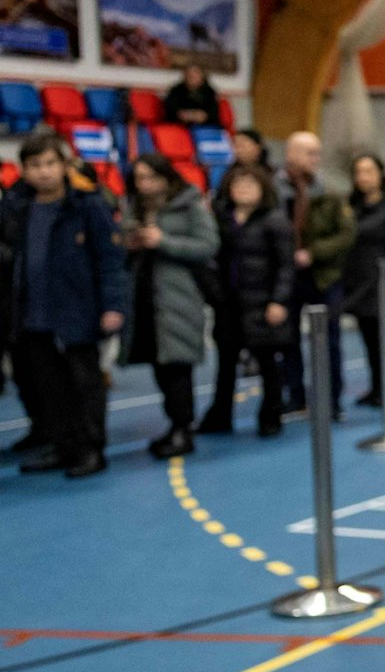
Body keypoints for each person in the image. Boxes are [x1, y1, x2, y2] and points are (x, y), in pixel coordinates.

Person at [8, 132, 127, 478]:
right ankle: (62, 446)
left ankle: (91, 449)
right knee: (49, 387)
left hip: (78, 311)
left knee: (84, 385)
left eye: (49, 163)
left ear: (64, 166)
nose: (43, 172)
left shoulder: (87, 206)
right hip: (32, 313)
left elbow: (110, 260)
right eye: (34, 165)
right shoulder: (17, 208)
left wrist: (113, 306)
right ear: (24, 171)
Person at [118, 153, 219, 460]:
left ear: (166, 177)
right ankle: (174, 424)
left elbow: (208, 245)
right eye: (140, 178)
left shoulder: (189, 205)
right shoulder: (134, 206)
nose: (145, 184)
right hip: (144, 296)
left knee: (177, 366)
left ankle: (183, 427)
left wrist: (163, 241)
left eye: (151, 177)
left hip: (178, 297)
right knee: (159, 365)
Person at [197, 165, 292, 438]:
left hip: (261, 302)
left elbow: (285, 265)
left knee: (266, 362)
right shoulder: (221, 220)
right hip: (229, 303)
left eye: (250, 185)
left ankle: (271, 414)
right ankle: (220, 414)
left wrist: (279, 301)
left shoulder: (274, 221)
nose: (243, 190)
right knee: (225, 363)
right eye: (237, 185)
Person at [275, 132, 355, 417]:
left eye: (318, 153)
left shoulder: (328, 191)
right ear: (292, 154)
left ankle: (332, 401)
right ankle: (295, 397)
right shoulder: (273, 190)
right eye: (310, 153)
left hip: (324, 276)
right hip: (286, 277)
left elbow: (346, 234)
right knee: (287, 340)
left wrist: (314, 252)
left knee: (330, 340)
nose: (316, 160)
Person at [344, 154, 385, 407]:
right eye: (358, 172)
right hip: (359, 283)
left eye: (369, 171)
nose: (363, 177)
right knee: (369, 338)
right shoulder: (352, 207)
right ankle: (375, 387)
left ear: (380, 175)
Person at [162, 63, 222, 129]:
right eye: (189, 75)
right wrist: (181, 114)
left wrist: (204, 116)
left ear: (202, 76)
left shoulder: (209, 92)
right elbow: (170, 108)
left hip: (206, 126)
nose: (192, 77)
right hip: (181, 126)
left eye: (195, 74)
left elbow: (214, 112)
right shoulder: (176, 90)